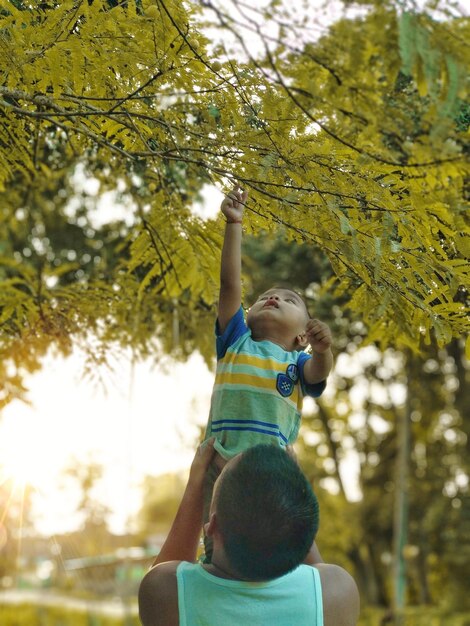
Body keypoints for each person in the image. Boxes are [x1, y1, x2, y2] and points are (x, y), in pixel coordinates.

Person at [202, 185, 334, 561]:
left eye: (289, 300)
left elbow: (319, 373)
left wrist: (324, 350)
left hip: (271, 473)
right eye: (265, 297)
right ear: (247, 313)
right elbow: (230, 285)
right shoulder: (235, 341)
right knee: (217, 549)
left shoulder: (297, 364)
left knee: (278, 547)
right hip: (218, 463)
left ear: (301, 335)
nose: (273, 297)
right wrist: (234, 224)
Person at [138, 439, 360, 626]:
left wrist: (197, 483)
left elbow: (167, 571)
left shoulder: (162, 592)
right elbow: (314, 572)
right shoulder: (338, 592)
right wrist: (289, 493)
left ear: (212, 525)